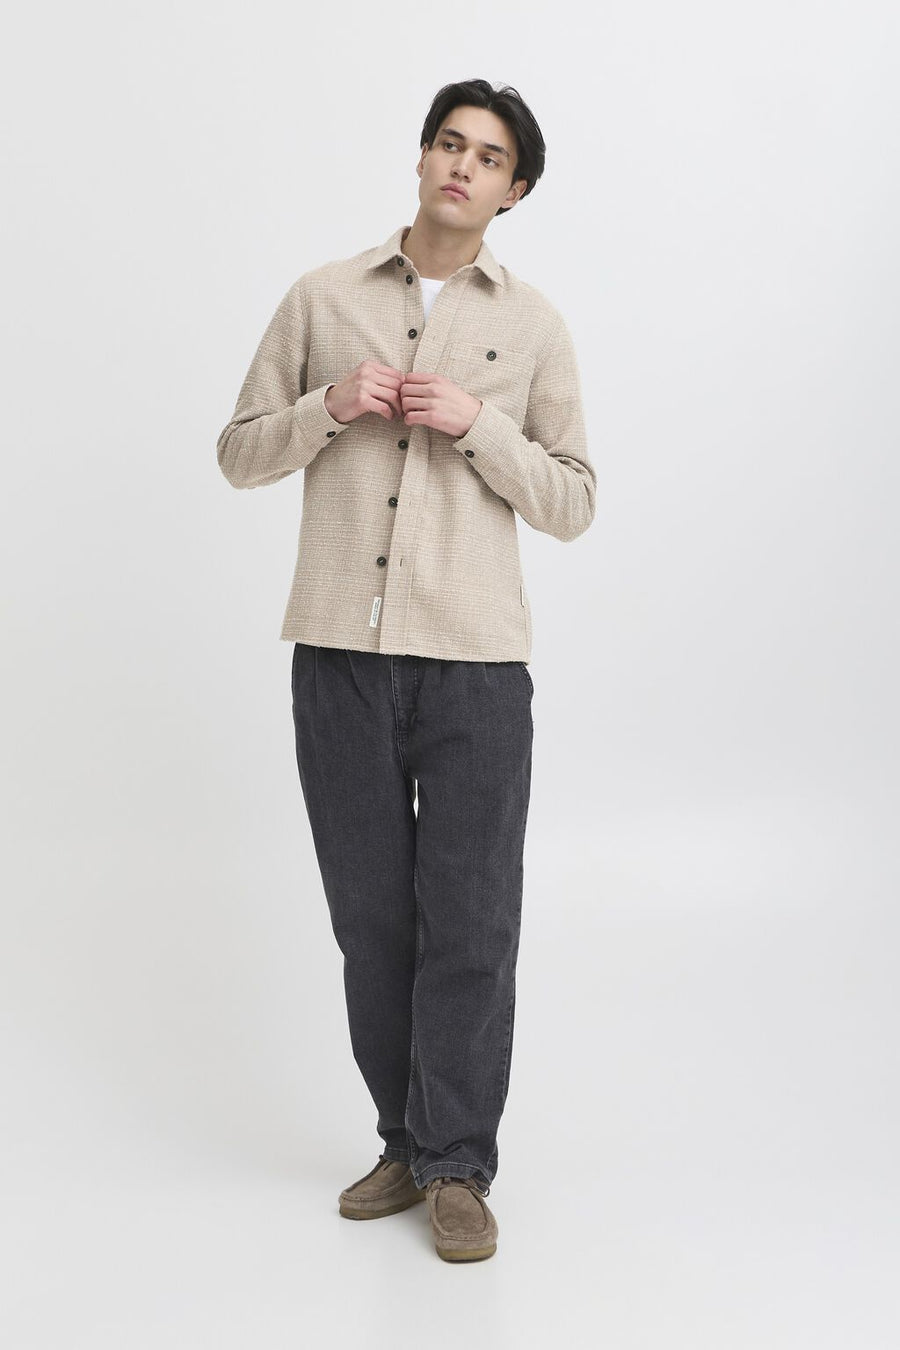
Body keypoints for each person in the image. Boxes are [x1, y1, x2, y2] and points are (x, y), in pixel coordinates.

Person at [216, 77, 596, 1263]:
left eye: (488, 157)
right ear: (423, 158)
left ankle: (458, 1164)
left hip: (475, 667)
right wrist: (328, 408)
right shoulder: (322, 298)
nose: (461, 167)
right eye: (449, 144)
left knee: (471, 923)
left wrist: (478, 425)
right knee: (373, 923)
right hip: (339, 654)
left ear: (513, 191)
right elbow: (238, 454)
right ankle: (404, 1142)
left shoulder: (535, 328)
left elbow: (574, 502)